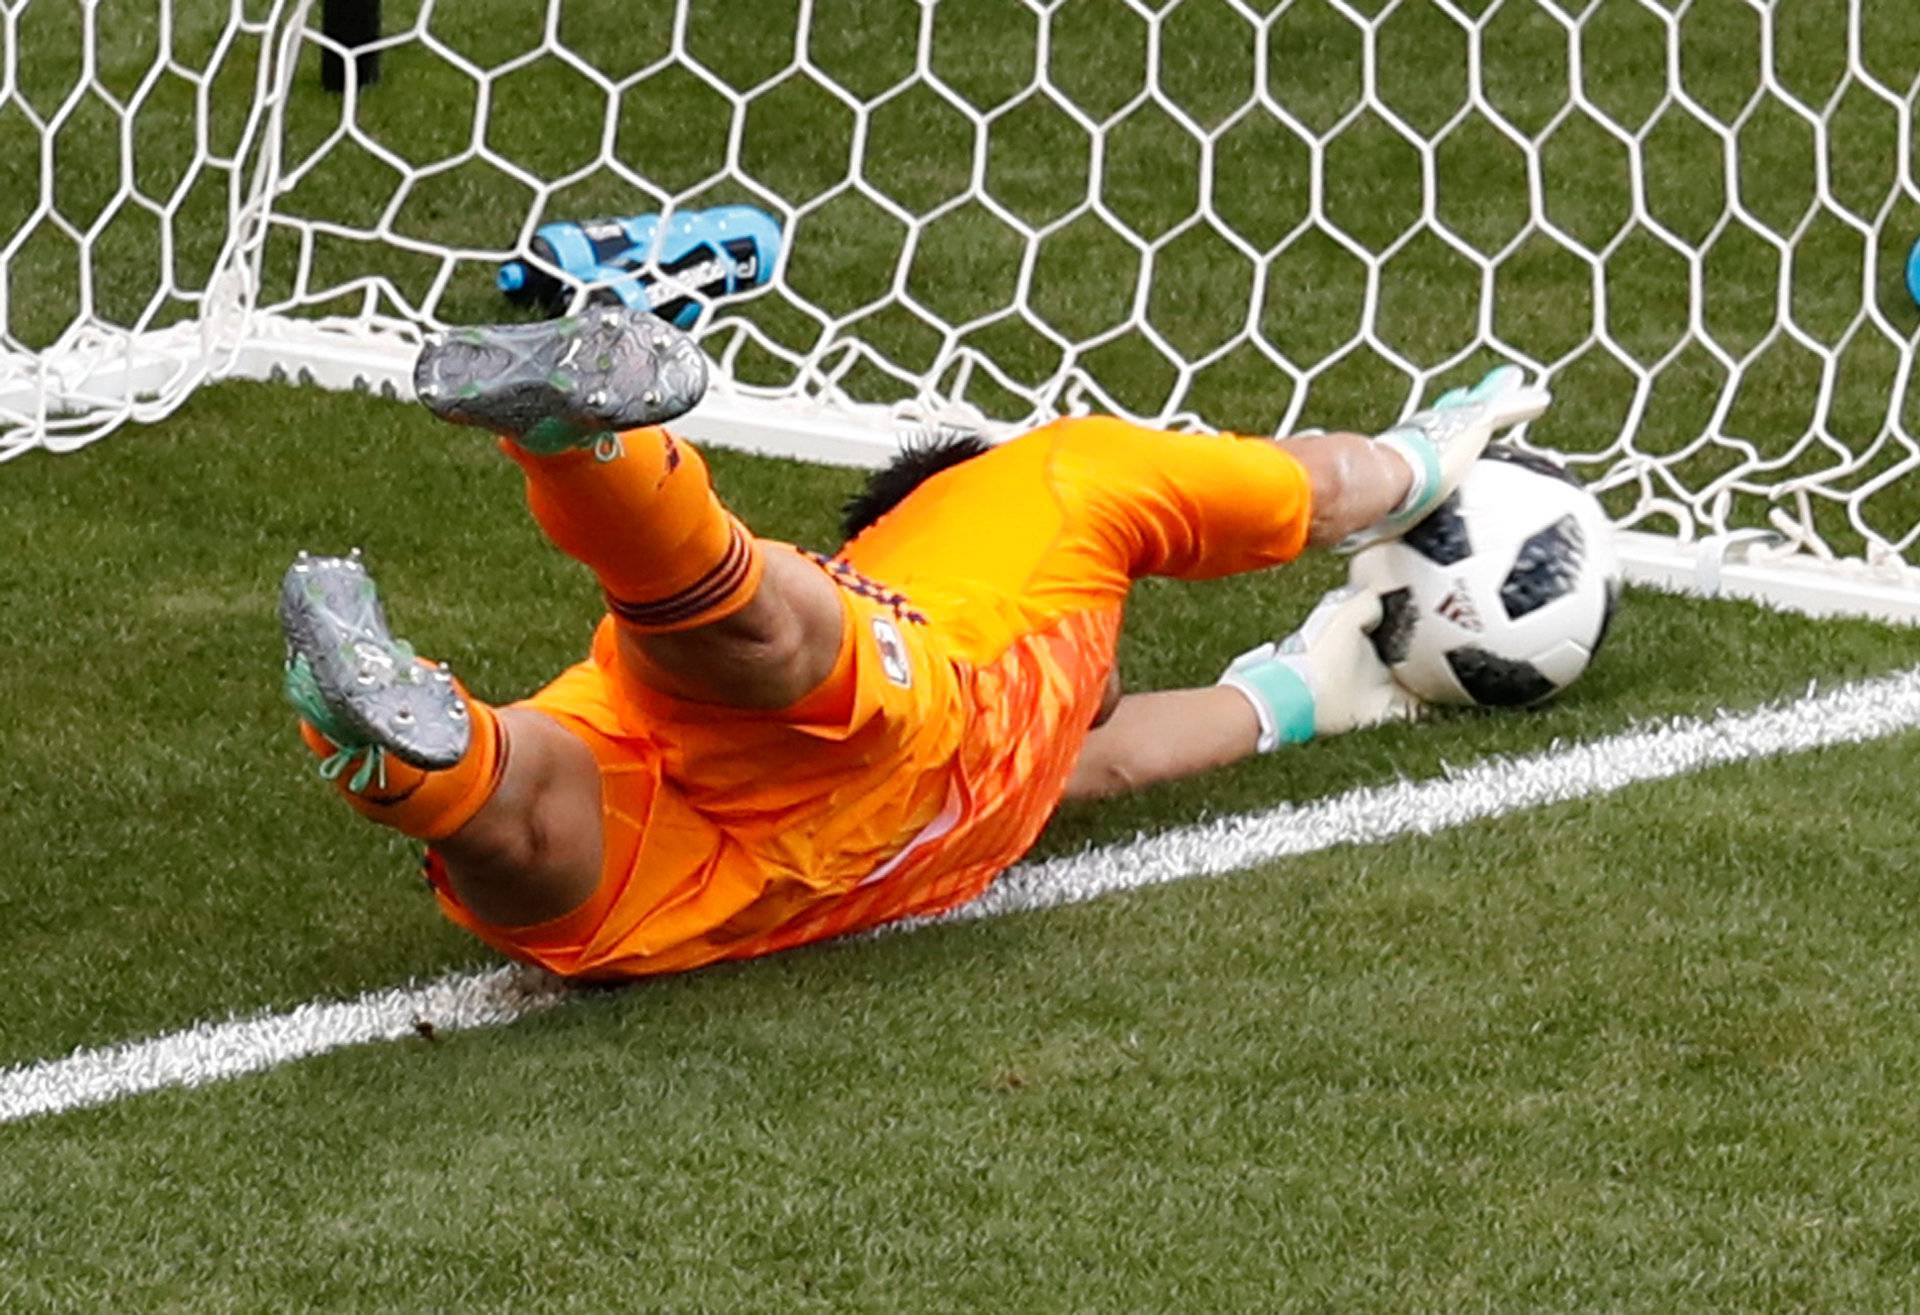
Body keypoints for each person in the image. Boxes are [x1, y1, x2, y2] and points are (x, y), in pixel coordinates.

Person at [280, 307, 1548, 979]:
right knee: (765, 641)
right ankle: (587, 442)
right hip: (883, 722)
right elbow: (1312, 490)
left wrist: (1321, 687)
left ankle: (407, 755)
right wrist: (1426, 451)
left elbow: (1114, 754)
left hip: (728, 878)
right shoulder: (1047, 493)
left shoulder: (1049, 739)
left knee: (523, 822)